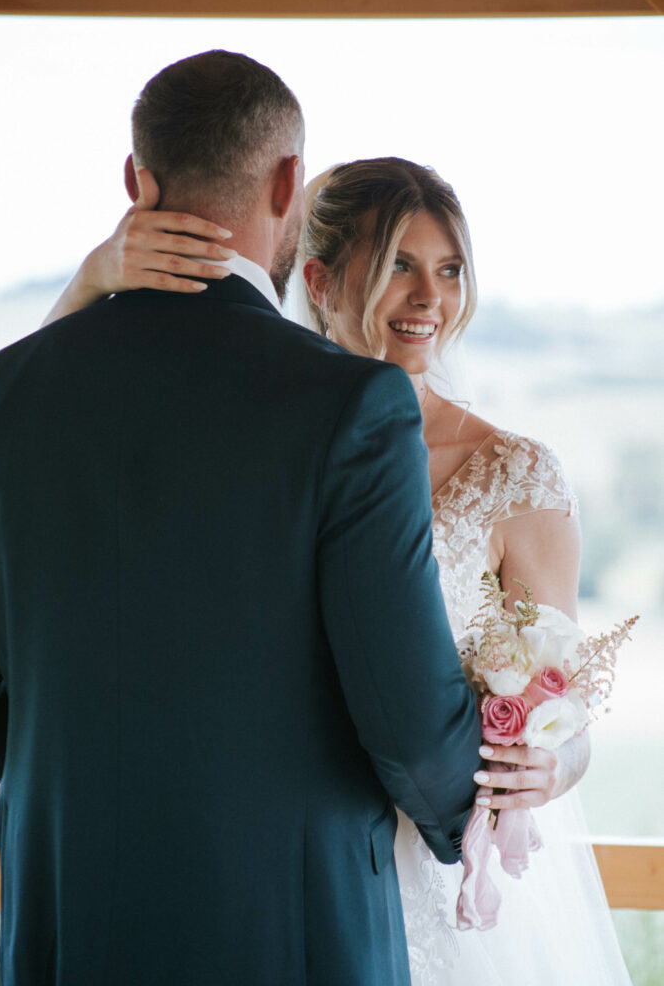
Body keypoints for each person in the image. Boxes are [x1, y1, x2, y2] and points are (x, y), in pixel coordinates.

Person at [53, 156, 634, 985]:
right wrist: (87, 285)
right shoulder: (246, 446)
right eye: (398, 265)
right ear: (319, 279)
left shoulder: (517, 474)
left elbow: (565, 706)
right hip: (276, 863)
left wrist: (549, 764)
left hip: (444, 885)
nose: (428, 298)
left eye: (447, 270)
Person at [0, 56, 483, 985]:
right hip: (290, 925)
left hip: (63, 913)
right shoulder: (354, 405)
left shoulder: (0, 395)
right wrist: (487, 801)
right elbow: (409, 722)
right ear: (290, 181)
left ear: (136, 182)